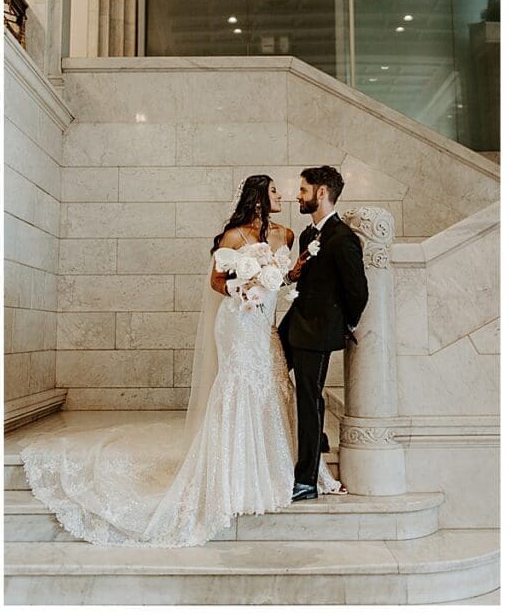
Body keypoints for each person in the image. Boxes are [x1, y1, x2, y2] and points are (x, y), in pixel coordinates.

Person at [18, 175, 344, 548]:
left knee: (273, 385)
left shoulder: (286, 235)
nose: (281, 195)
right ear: (257, 198)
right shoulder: (234, 236)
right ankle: (231, 475)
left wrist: (285, 277)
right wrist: (240, 289)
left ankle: (274, 468)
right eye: (273, 191)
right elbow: (217, 280)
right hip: (238, 323)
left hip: (264, 325)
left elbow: (284, 278)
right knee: (239, 384)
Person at [279, 166, 369, 501]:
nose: (297, 196)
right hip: (294, 323)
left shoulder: (344, 238)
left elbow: (357, 291)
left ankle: (306, 480)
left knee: (309, 400)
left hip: (317, 334)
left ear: (320, 193)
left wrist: (344, 326)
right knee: (267, 378)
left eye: (303, 190)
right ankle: (308, 445)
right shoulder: (307, 236)